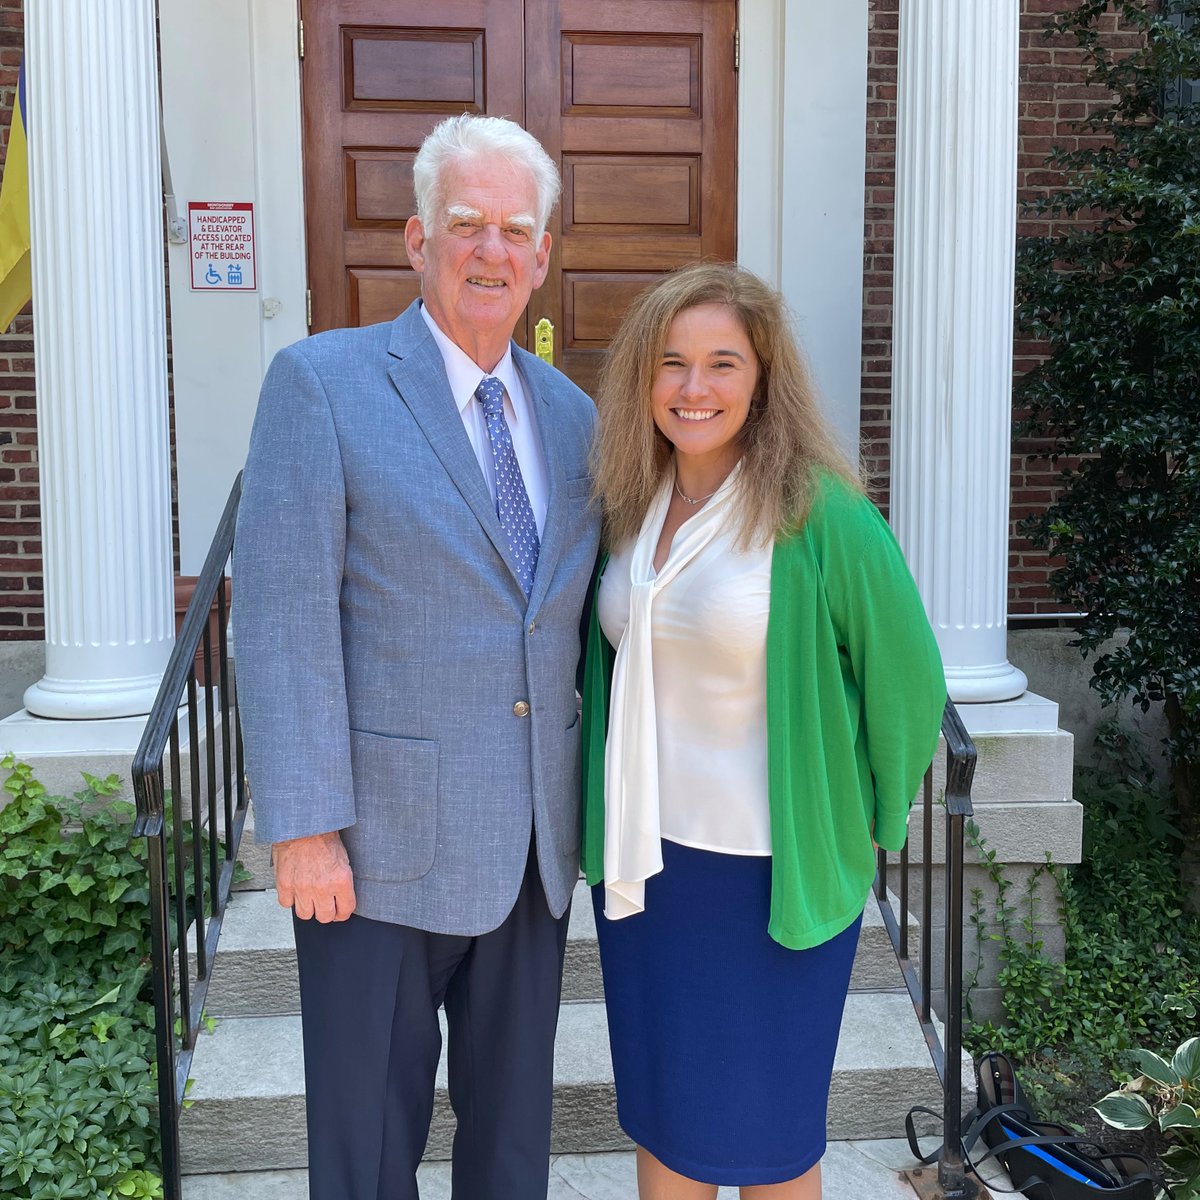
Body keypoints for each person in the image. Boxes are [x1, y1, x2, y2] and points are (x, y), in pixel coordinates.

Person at [234, 114, 600, 1200]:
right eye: (466, 225)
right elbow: (283, 615)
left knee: (510, 1149)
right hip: (375, 851)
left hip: (533, 847)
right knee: (363, 1147)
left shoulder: (578, 419)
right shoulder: (323, 383)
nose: (491, 251)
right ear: (416, 240)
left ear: (542, 257)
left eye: (515, 230)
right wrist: (303, 826)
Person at [580, 263, 946, 1199]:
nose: (694, 389)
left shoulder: (819, 515)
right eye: (672, 363)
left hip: (768, 877)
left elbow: (908, 680)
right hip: (649, 871)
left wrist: (871, 822)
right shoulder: (631, 504)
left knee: (770, 1139)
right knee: (663, 1119)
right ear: (643, 380)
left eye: (721, 364)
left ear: (762, 379)